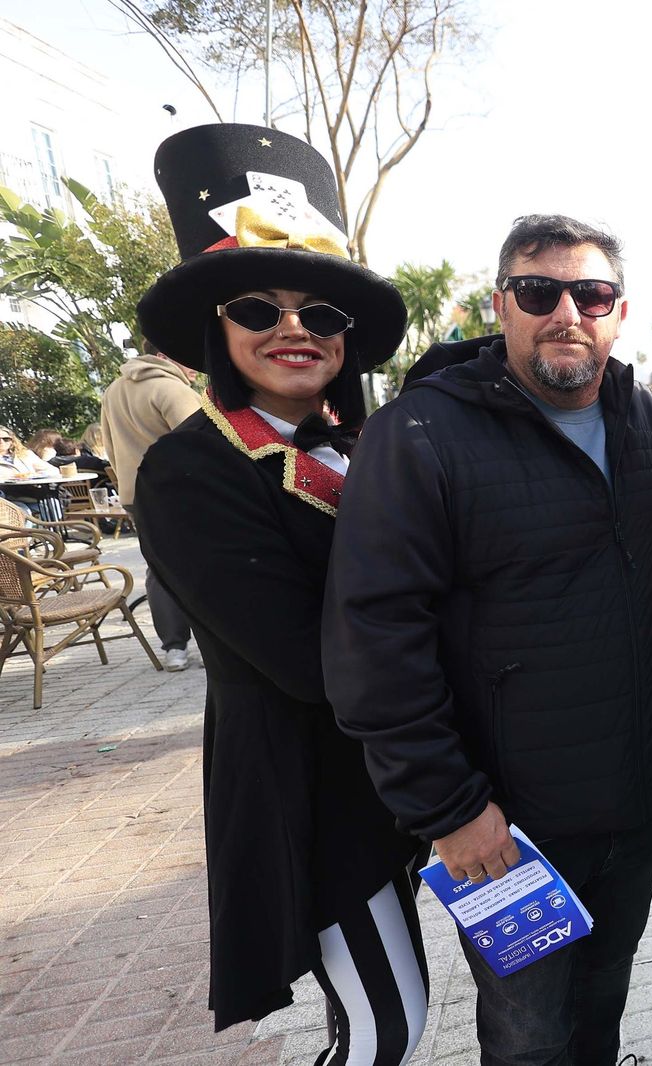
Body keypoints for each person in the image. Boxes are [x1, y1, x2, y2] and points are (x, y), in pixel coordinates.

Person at [323, 214, 652, 1066]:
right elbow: (374, 644)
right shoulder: (420, 437)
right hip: (505, 828)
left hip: (634, 807)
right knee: (529, 1036)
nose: (567, 311)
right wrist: (449, 811)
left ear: (619, 311)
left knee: (603, 1005)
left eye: (592, 293)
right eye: (540, 291)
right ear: (501, 305)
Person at [131, 123, 428, 1060]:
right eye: (258, 308)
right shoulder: (191, 470)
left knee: (373, 1020)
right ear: (218, 329)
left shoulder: (376, 451)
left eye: (321, 314)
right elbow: (306, 660)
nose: (294, 328)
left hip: (397, 777)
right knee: (391, 1027)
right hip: (313, 789)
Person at [102, 339, 204, 670]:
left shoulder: (114, 390)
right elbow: (203, 446)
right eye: (187, 358)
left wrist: (126, 487)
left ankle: (174, 647)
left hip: (136, 494)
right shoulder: (171, 389)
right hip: (183, 493)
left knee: (158, 569)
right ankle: (215, 646)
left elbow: (110, 448)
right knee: (205, 566)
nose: (194, 366)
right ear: (163, 355)